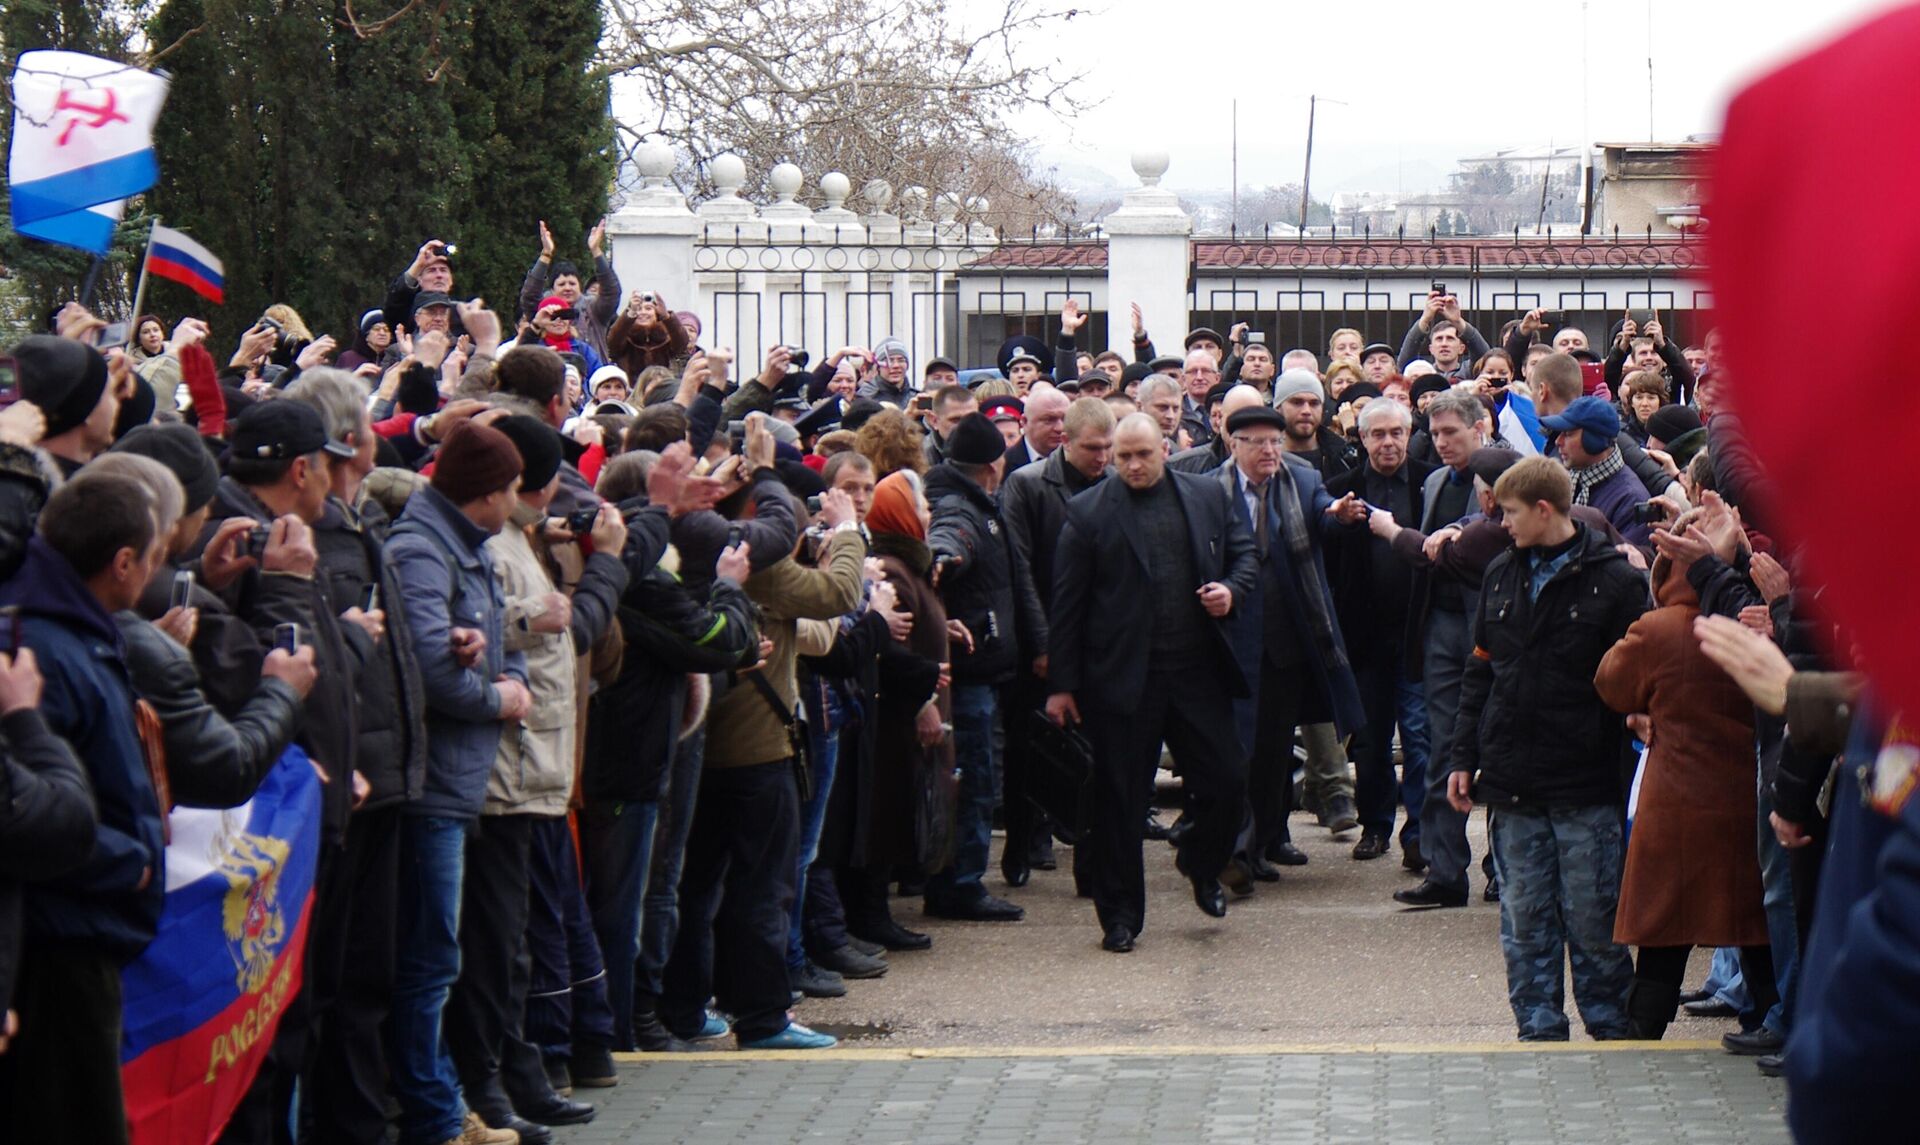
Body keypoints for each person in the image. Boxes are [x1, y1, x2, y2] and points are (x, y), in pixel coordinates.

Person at [448, 417, 624, 1141]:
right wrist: (593, 572)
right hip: (510, 768)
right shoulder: (490, 541)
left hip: (535, 766)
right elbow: (542, 625)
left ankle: (515, 1069)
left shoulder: (519, 535)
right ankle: (496, 1078)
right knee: (500, 941)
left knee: (517, 938)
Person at [659, 479, 864, 1051]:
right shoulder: (762, 569)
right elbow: (841, 593)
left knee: (696, 888)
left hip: (703, 747)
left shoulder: (680, 557)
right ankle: (764, 1016)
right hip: (757, 751)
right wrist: (847, 529)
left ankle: (684, 1006)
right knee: (761, 890)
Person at [1448, 457, 1648, 1041]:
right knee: (1525, 919)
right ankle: (1537, 1030)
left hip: (1585, 782)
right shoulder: (1501, 574)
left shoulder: (1617, 581)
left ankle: (1612, 1029)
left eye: (1509, 512)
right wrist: (1463, 757)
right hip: (1512, 780)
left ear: (1543, 510)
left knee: (1593, 917)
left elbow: (1637, 674)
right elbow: (1479, 671)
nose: (1500, 522)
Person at [1045, 414, 1258, 953]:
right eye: (1123, 457)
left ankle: (1201, 862)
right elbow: (1066, 606)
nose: (1134, 466)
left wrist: (1231, 590)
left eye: (1143, 454)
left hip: (1196, 671)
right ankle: (1119, 916)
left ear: (1165, 448)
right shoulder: (1089, 512)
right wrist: (1062, 685)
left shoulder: (1207, 494)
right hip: (1122, 680)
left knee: (1228, 781)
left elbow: (1245, 554)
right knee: (1119, 799)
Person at [0, 470, 167, 1145]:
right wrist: (130, 864)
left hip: (80, 926)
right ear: (123, 562)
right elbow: (37, 811)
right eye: (155, 557)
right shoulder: (42, 651)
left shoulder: (79, 630)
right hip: (59, 939)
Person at [385, 422, 535, 1145]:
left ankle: (438, 1102)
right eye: (510, 489)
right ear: (487, 493)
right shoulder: (422, 550)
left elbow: (498, 646)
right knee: (429, 955)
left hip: (456, 781)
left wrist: (505, 677)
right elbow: (432, 667)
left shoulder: (460, 548)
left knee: (439, 952)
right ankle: (433, 1114)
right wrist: (496, 698)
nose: (515, 503)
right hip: (431, 784)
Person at [1592, 519, 1772, 1041]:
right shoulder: (1752, 624)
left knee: (1662, 924)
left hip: (1673, 799)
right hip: (1741, 795)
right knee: (1751, 919)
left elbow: (1611, 683)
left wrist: (1642, 708)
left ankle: (1646, 1023)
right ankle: (1767, 1016)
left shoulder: (1658, 629)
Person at [1216, 406, 1368, 886]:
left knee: (1270, 753)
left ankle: (1257, 846)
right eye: (1256, 442)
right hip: (1227, 644)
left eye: (1274, 442)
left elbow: (1324, 516)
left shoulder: (1301, 479)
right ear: (1232, 444)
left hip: (1284, 645)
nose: (1268, 452)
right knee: (1231, 751)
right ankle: (1232, 848)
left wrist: (1341, 516)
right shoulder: (1207, 490)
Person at [924, 413, 1044, 921]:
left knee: (979, 777)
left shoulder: (979, 502)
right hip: (970, 676)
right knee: (974, 780)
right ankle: (961, 884)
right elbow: (950, 542)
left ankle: (959, 878)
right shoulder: (961, 508)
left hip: (987, 668)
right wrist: (943, 558)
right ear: (995, 463)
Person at [1327, 400, 1437, 862]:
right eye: (1379, 434)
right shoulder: (1342, 491)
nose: (1389, 442)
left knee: (1418, 737)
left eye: (1397, 432)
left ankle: (1417, 836)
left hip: (1418, 632)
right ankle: (1374, 826)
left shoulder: (1430, 482)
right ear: (1363, 438)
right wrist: (1337, 522)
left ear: (1409, 433)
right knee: (1370, 742)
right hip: (1366, 638)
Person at [846, 470, 950, 950]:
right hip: (892, 715)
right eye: (921, 504)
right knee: (882, 813)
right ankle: (869, 916)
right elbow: (893, 648)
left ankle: (874, 914)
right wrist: (924, 701)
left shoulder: (911, 563)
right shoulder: (890, 567)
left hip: (902, 710)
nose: (928, 512)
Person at [1539, 395, 1653, 547]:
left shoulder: (1630, 499)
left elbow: (1628, 565)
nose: (1558, 441)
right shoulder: (1570, 480)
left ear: (1594, 439)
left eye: (1568, 434)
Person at [15, 335, 119, 478]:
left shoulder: (16, 481)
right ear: (86, 408)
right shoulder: (91, 496)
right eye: (112, 393)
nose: (117, 404)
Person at [518, 220, 620, 359]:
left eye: (572, 283)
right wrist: (546, 254)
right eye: (562, 284)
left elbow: (611, 292)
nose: (567, 288)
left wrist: (596, 251)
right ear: (552, 289)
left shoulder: (593, 310)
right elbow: (529, 295)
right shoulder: (543, 311)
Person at [605, 291, 691, 377]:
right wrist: (630, 314)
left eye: (648, 308)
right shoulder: (624, 336)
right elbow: (613, 343)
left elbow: (682, 343)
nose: (643, 312)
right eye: (638, 309)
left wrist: (667, 316)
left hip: (663, 387)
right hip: (631, 389)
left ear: (656, 313)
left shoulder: (667, 336)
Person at [1001, 383, 1069, 473]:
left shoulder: (1083, 462)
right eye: (1049, 420)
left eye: (1065, 419)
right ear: (1024, 422)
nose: (1060, 428)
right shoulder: (1003, 466)